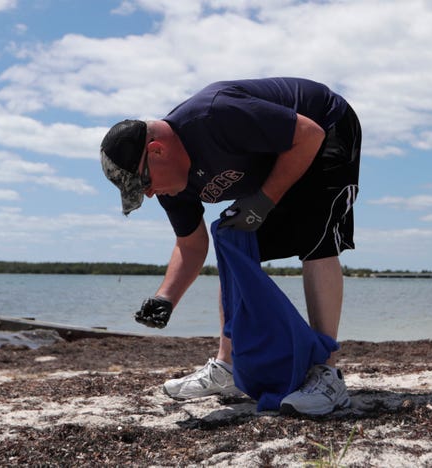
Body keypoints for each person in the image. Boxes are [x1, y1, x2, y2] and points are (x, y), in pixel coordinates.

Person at [100, 77, 361, 416]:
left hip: (326, 127)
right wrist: (165, 298)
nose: (149, 194)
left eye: (144, 183)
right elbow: (191, 245)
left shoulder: (215, 115)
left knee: (317, 234)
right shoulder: (172, 184)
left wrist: (263, 201)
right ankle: (230, 368)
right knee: (233, 241)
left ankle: (327, 375)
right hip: (282, 157)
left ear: (157, 150)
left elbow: (309, 134)